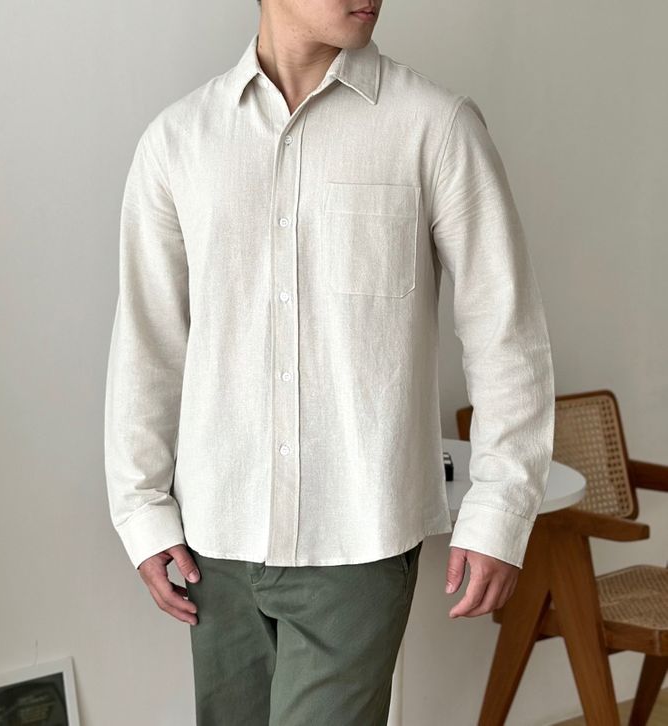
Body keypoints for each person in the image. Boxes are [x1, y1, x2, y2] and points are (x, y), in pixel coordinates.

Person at [103, 0, 555, 723]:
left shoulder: (435, 127)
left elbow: (506, 333)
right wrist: (141, 510)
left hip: (358, 536)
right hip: (211, 539)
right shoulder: (178, 141)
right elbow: (149, 342)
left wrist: (501, 509)